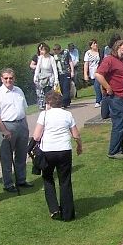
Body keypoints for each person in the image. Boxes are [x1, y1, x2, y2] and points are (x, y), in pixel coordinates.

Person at [30, 90, 82, 221]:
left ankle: (53, 208)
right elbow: (75, 135)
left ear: (48, 103)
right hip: (64, 150)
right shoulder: (67, 114)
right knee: (65, 181)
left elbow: (36, 136)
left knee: (48, 179)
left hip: (48, 150)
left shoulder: (44, 115)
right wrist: (79, 146)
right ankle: (68, 214)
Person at [0, 68, 32, 192]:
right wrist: (4, 130)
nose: (9, 80)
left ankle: (21, 180)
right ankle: (8, 184)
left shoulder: (19, 91)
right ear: (2, 79)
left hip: (21, 124)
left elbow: (24, 109)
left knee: (21, 154)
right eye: (6, 78)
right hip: (7, 126)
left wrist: (26, 126)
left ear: (14, 78)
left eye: (11, 78)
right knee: (6, 157)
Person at [94, 39, 123, 159]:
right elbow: (98, 74)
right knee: (119, 123)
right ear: (117, 48)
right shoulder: (109, 60)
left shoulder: (121, 60)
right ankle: (113, 151)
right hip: (115, 96)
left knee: (122, 121)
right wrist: (107, 87)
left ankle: (119, 146)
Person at [32, 43, 58, 111]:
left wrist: (56, 80)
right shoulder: (40, 58)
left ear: (46, 50)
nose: (41, 52)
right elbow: (37, 68)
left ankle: (48, 106)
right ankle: (44, 105)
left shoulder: (51, 58)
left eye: (42, 50)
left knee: (48, 92)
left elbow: (55, 70)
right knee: (42, 93)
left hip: (50, 78)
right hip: (42, 78)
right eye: (40, 50)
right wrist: (35, 77)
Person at [50, 44, 75, 108]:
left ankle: (64, 102)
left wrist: (72, 71)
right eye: (54, 50)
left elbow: (70, 61)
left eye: (57, 50)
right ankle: (67, 101)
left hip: (66, 72)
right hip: (58, 74)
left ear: (60, 49)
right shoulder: (52, 56)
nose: (56, 51)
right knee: (61, 88)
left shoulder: (66, 53)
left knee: (66, 87)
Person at [83, 40, 102, 108]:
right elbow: (86, 64)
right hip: (92, 72)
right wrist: (85, 74)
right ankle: (101, 99)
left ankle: (98, 101)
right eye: (94, 44)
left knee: (97, 85)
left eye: (96, 43)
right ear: (91, 45)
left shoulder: (100, 52)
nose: (96, 45)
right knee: (96, 86)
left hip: (100, 71)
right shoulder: (88, 53)